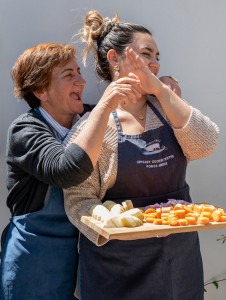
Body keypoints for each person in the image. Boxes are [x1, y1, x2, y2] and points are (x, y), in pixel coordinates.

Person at [63, 10, 220, 300]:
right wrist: (109, 228)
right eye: (146, 54)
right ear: (114, 59)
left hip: (178, 254)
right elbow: (77, 199)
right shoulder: (97, 124)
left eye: (157, 57)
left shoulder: (168, 108)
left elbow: (206, 144)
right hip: (118, 265)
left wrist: (161, 89)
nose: (155, 64)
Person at [0, 42, 142, 300]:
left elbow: (137, 119)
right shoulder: (25, 130)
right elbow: (66, 170)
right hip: (35, 261)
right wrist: (103, 108)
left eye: (79, 72)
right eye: (69, 75)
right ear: (41, 90)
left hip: (84, 258)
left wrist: (163, 89)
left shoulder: (90, 118)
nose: (82, 82)